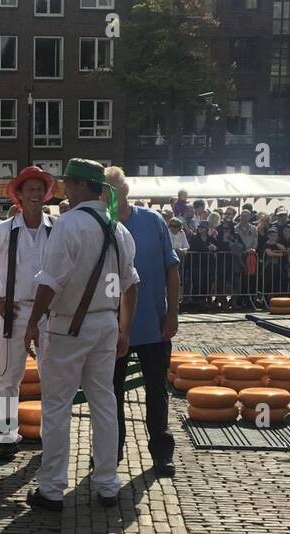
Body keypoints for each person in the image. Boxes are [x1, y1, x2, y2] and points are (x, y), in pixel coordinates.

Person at [25, 158, 138, 512]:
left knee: (57, 406)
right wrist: (124, 328)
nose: (65, 190)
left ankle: (51, 488)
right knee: (104, 402)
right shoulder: (119, 229)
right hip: (106, 323)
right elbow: (130, 284)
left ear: (81, 186)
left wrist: (32, 321)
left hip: (68, 325)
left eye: (69, 183)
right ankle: (107, 483)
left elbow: (50, 281)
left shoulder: (69, 224)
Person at [104, 166, 177, 478]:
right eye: (104, 189)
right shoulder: (98, 224)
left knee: (157, 391)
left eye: (115, 188)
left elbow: (171, 268)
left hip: (152, 323)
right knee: (111, 394)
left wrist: (172, 312)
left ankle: (161, 452)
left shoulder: (152, 221)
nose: (110, 195)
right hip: (111, 327)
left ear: (126, 190)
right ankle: (111, 451)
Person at [0, 165, 56, 461]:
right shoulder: (2, 231)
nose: (36, 194)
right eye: (30, 190)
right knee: (8, 377)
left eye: (40, 189)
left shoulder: (57, 229)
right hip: (13, 311)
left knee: (52, 377)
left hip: (50, 313)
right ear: (20, 196)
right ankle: (7, 436)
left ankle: (50, 434)